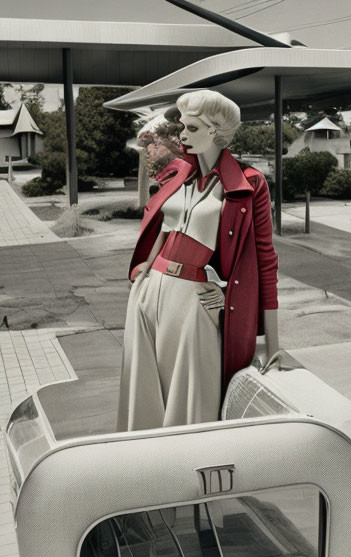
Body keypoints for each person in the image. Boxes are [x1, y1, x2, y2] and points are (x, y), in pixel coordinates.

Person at [117, 90, 280, 432]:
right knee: (142, 399)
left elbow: (264, 261)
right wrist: (143, 271)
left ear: (216, 131)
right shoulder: (178, 173)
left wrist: (271, 343)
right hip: (149, 292)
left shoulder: (249, 184)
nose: (182, 136)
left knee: (189, 406)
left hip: (193, 299)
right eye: (182, 127)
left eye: (191, 128)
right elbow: (164, 225)